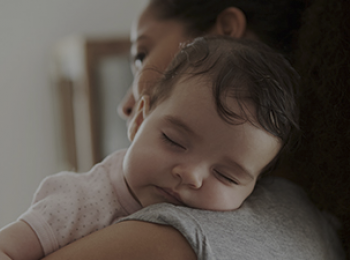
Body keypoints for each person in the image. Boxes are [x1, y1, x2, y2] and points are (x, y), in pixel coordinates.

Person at [0, 36, 302, 259]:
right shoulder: (77, 200)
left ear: (253, 188)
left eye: (226, 176)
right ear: (140, 119)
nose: (191, 175)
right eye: (174, 141)